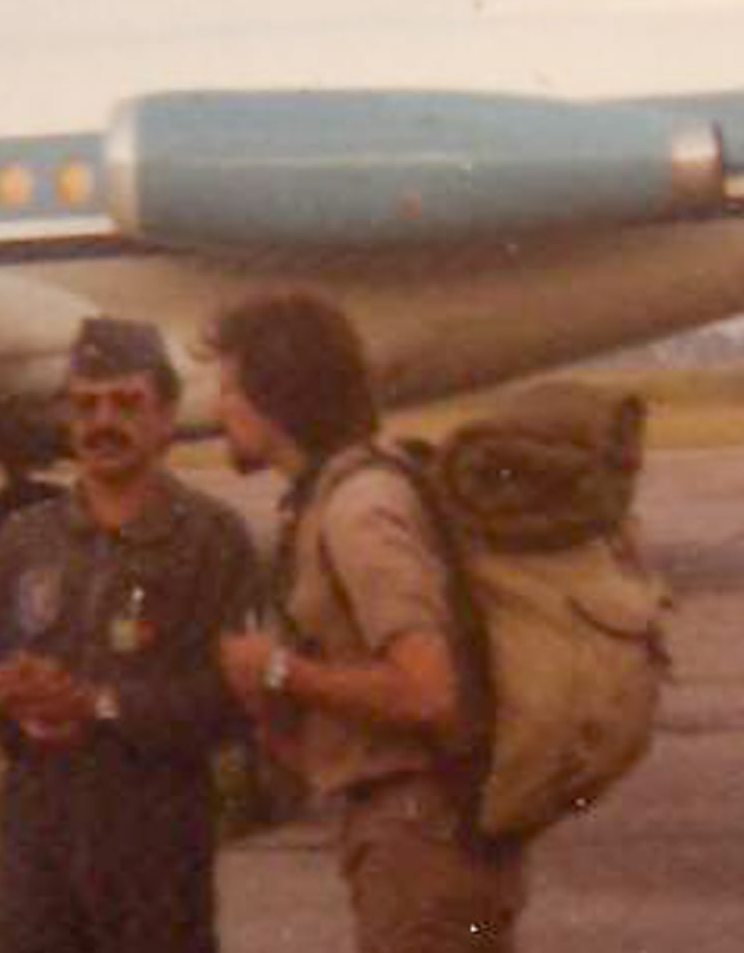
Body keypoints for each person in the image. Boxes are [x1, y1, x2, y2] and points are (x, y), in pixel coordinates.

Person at [211, 291, 527, 953]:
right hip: (411, 829)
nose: (218, 409)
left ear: (278, 394)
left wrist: (278, 668)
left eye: (231, 388)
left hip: (421, 840)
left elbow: (427, 690)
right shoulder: (332, 496)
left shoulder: (359, 510)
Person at [0, 316, 261, 953]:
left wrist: (100, 706)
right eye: (85, 406)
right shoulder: (23, 539)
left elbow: (235, 704)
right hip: (38, 844)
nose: (102, 423)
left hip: (157, 845)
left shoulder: (210, 539)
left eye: (126, 403)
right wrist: (5, 701)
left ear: (167, 416)